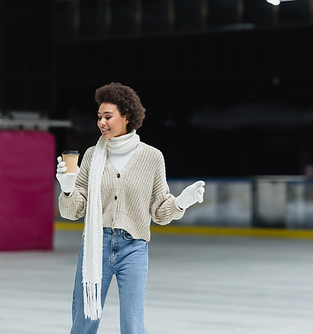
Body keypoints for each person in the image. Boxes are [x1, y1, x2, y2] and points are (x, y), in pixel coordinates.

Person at [56, 82, 205, 334]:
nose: (101, 122)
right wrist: (68, 188)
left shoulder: (152, 157)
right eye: (99, 117)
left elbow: (159, 211)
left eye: (108, 117)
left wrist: (181, 202)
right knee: (84, 322)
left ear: (126, 116)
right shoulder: (92, 155)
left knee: (132, 326)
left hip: (133, 248)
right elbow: (73, 211)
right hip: (96, 246)